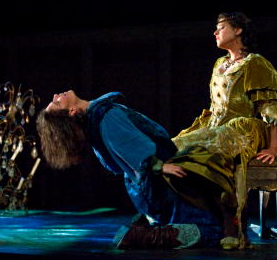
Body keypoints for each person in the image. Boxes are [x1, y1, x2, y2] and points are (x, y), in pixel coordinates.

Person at [163, 12, 277, 249]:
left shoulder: (255, 63)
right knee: (172, 147)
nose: (215, 32)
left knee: (219, 142)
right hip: (215, 127)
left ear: (238, 30)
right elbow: (216, 107)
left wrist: (274, 146)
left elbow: (272, 108)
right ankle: (202, 222)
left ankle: (231, 223)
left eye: (220, 27)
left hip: (246, 127)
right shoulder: (218, 64)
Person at [36, 90, 224, 249]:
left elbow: (114, 164)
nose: (55, 95)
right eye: (56, 102)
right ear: (72, 111)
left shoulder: (96, 121)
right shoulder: (104, 118)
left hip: (145, 187)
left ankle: (148, 226)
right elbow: (133, 148)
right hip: (159, 182)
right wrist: (158, 165)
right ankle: (144, 235)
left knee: (194, 221)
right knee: (212, 230)